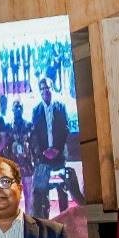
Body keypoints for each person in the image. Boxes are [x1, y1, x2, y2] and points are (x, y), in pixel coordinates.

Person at [30, 77, 84, 216]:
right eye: (42, 88)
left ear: (52, 88)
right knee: (43, 192)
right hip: (44, 157)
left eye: (47, 87)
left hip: (59, 155)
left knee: (62, 189)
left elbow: (65, 130)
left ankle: (64, 218)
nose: (45, 91)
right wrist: (44, 151)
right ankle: (47, 223)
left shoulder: (61, 107)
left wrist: (57, 149)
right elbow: (35, 135)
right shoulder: (36, 110)